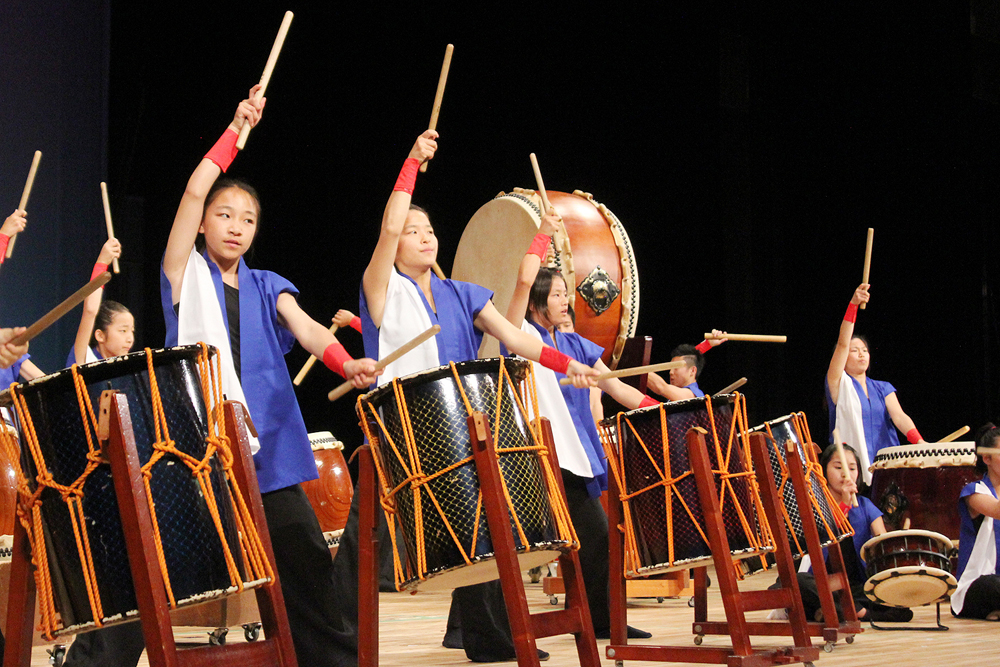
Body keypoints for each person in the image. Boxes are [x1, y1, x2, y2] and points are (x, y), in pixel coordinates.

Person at [65, 86, 379, 667]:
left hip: (268, 450)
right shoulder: (183, 277)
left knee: (305, 562)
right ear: (205, 223)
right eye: (224, 215)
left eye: (248, 219)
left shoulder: (267, 285)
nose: (236, 226)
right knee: (155, 568)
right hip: (195, 447)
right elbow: (191, 189)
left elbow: (310, 330)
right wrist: (236, 131)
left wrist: (347, 362)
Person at [332, 128, 598, 665]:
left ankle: (486, 635)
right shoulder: (381, 290)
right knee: (367, 537)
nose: (424, 237)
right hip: (399, 430)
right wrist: (410, 164)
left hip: (457, 426)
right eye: (412, 232)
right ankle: (334, 638)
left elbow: (518, 335)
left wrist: (569, 363)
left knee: (483, 523)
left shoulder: (461, 294)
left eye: (428, 229)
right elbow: (387, 224)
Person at [499, 217, 656, 639]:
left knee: (596, 541)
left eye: (566, 293)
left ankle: (600, 621)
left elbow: (616, 386)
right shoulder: (520, 336)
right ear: (536, 303)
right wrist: (541, 237)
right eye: (556, 295)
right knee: (514, 546)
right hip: (536, 456)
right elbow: (519, 284)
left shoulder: (575, 344)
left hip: (574, 454)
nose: (566, 301)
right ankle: (473, 625)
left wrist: (658, 410)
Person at [790, 443, 912, 623]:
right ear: (824, 470)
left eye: (852, 468)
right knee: (799, 583)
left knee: (902, 609)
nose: (846, 473)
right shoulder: (814, 505)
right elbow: (821, 541)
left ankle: (844, 611)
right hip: (822, 583)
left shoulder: (865, 505)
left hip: (855, 588)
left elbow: (883, 546)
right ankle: (858, 612)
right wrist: (844, 506)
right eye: (838, 467)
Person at [825, 283, 924, 485]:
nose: (861, 353)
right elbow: (843, 342)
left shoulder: (883, 387)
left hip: (887, 468)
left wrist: (919, 441)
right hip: (852, 473)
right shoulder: (838, 384)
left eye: (865, 350)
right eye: (855, 350)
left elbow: (899, 416)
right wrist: (853, 305)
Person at [951, 423, 1000, 620]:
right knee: (993, 585)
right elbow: (997, 510)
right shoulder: (973, 492)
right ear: (986, 458)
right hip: (977, 586)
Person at [68, 239, 131, 365]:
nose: (130, 339)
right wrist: (102, 262)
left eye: (132, 331)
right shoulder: (85, 358)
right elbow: (90, 311)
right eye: (123, 331)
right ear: (100, 335)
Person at [645, 332, 727, 401]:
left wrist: (636, 367)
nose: (670, 372)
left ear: (692, 371)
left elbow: (661, 387)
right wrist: (706, 344)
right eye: (670, 368)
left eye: (676, 368)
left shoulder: (692, 394)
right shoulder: (674, 397)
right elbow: (689, 359)